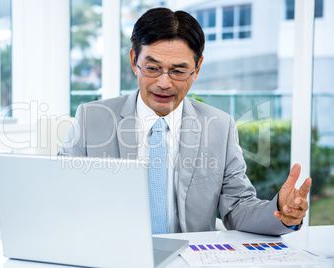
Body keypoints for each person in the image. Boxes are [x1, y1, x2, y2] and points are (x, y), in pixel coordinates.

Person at [60, 7, 312, 235]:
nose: (164, 83)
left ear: (197, 68)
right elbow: (60, 195)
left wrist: (279, 211)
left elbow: (237, 207)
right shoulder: (91, 118)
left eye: (178, 71)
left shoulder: (219, 127)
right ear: (134, 61)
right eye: (152, 68)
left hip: (189, 258)